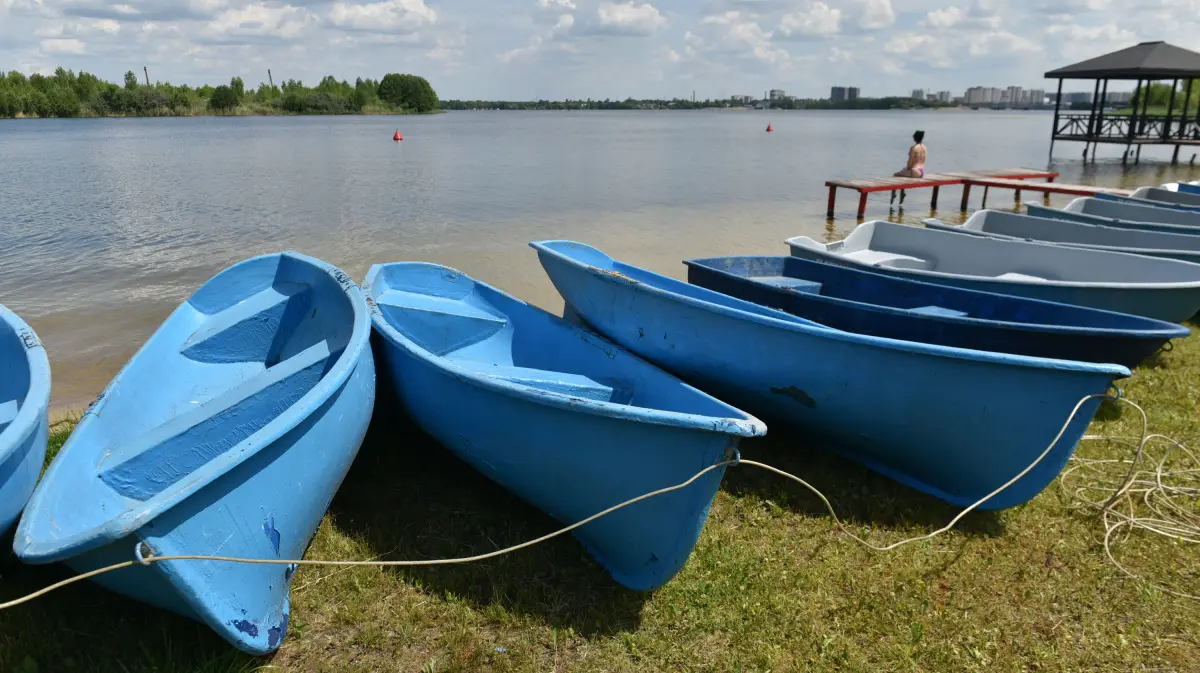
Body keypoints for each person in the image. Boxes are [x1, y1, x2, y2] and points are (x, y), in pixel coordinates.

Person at [891, 130, 927, 205]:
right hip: (922, 171)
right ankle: (902, 193)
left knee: (895, 175)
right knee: (903, 175)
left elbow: (910, 162)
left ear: (914, 138)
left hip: (914, 171)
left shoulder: (913, 148)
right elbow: (924, 160)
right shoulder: (924, 147)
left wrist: (907, 168)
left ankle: (894, 194)